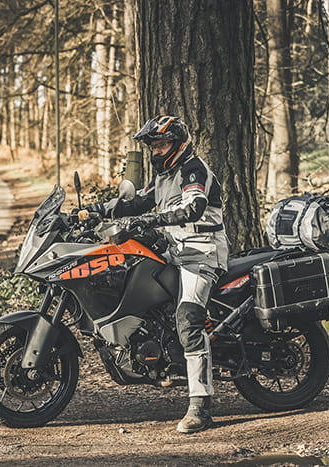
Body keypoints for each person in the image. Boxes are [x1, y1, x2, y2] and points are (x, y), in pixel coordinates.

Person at [82, 115, 229, 433]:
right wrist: (93, 211)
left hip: (201, 256)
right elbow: (136, 202)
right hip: (173, 253)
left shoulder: (194, 170)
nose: (156, 151)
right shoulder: (164, 176)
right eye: (153, 146)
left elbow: (193, 208)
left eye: (161, 144)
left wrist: (148, 221)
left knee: (189, 320)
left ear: (178, 144)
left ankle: (200, 407)